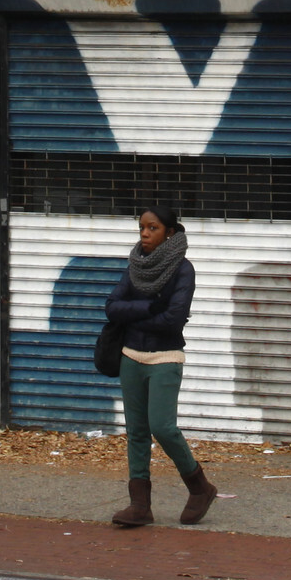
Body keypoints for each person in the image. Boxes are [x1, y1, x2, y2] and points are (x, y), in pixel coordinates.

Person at [104, 203, 217, 528]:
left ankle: (200, 487)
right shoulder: (135, 266)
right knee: (136, 432)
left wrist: (135, 313)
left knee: (162, 427)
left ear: (169, 232)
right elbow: (112, 307)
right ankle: (140, 505)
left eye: (152, 228)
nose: (144, 234)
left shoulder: (183, 269)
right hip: (130, 358)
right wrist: (150, 306)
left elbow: (174, 319)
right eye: (141, 227)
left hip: (166, 358)